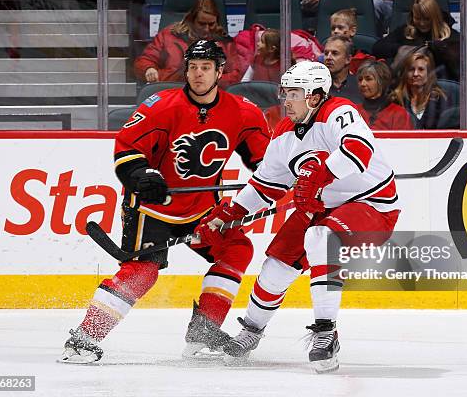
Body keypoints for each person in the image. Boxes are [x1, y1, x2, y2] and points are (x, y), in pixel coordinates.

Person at [60, 41, 271, 364]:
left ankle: (204, 331)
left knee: (236, 249)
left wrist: (289, 178)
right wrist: (141, 174)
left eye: (205, 68)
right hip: (150, 208)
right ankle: (84, 338)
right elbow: (127, 149)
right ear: (186, 70)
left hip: (202, 208)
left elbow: (266, 163)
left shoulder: (243, 112)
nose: (198, 74)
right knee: (143, 271)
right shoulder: (161, 105)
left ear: (219, 72)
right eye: (193, 67)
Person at [194, 61, 401, 373]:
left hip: (371, 204)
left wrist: (320, 176)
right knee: (275, 268)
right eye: (285, 92)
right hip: (319, 207)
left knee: (321, 238)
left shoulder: (339, 112)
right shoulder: (284, 134)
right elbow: (264, 186)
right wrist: (226, 215)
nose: (285, 99)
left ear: (315, 96)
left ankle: (326, 333)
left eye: (294, 93)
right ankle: (251, 331)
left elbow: (359, 150)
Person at [134, 0, 241, 87]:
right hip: (172, 93)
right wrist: (149, 69)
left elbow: (236, 75)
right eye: (202, 24)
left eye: (211, 24)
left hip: (210, 96)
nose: (206, 29)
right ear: (191, 20)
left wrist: (209, 79)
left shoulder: (225, 43)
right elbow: (144, 60)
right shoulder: (168, 35)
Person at [371, 0, 460, 81]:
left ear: (435, 17)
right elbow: (377, 48)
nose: (422, 23)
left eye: (426, 19)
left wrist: (437, 49)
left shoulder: (450, 36)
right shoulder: (406, 31)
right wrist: (403, 49)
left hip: (439, 85)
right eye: (417, 18)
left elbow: (460, 67)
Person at [390, 50, 450, 129]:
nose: (415, 74)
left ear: (429, 73)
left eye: (421, 69)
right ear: (405, 73)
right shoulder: (395, 99)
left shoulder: (440, 99)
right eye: (411, 69)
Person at [356, 60, 413, 130]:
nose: (362, 84)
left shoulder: (399, 113)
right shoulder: (353, 112)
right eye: (360, 79)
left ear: (382, 82)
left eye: (368, 79)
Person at [328, 8, 379, 75]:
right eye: (333, 28)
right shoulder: (326, 57)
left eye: (340, 28)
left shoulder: (362, 60)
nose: (335, 31)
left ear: (352, 31)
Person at [323, 35, 362, 103]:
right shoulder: (317, 86)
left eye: (335, 53)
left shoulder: (361, 86)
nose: (328, 57)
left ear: (348, 59)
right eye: (326, 53)